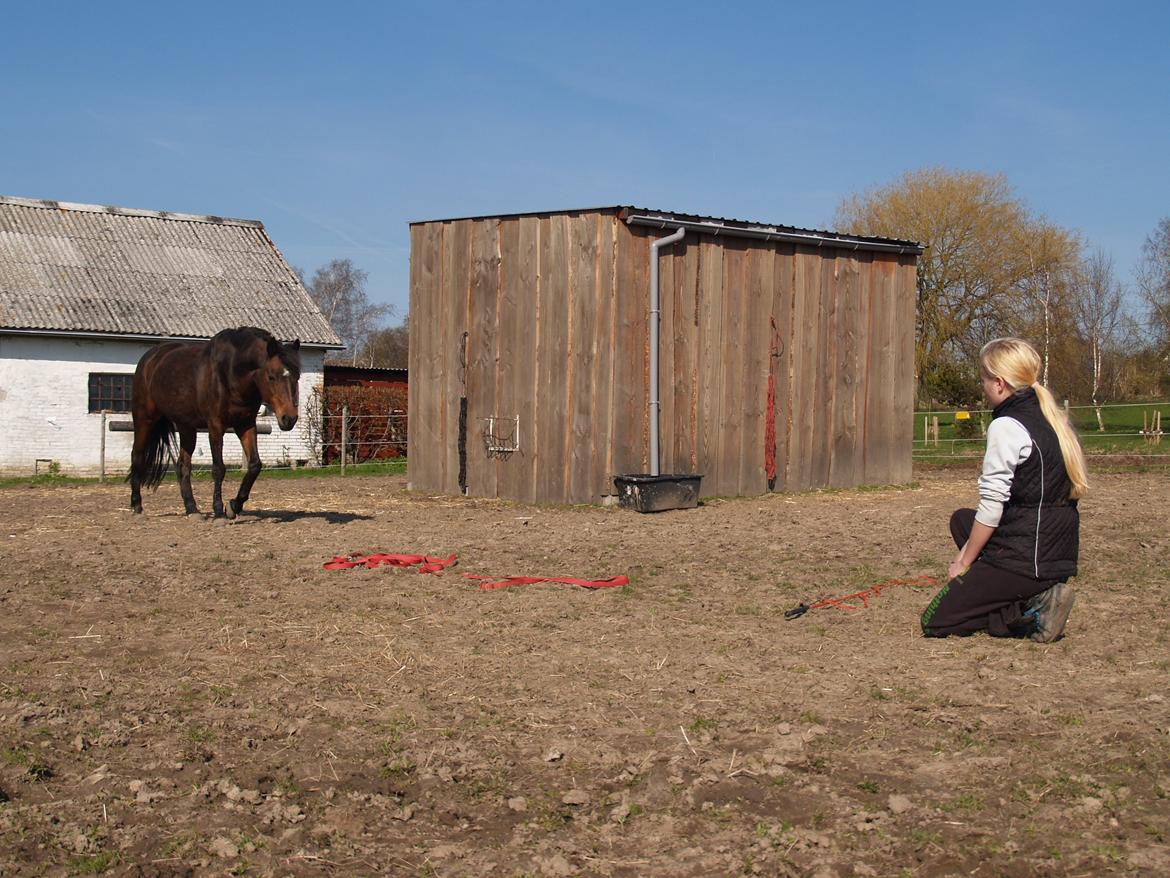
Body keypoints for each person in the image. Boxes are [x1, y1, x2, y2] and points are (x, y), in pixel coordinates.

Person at [921, 337, 1089, 641]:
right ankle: (1031, 591)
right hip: (1057, 552)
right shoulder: (1051, 418)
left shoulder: (1007, 425)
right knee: (961, 519)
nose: (982, 387)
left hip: (1027, 558)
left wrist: (963, 562)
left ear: (998, 383)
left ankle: (1029, 611)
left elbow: (992, 505)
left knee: (936, 621)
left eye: (983, 379)